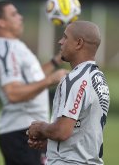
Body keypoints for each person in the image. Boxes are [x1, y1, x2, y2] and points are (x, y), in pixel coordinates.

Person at [0, 1, 67, 165]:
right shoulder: (5, 50)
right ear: (1, 22)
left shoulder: (14, 46)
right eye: (14, 14)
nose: (20, 17)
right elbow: (13, 93)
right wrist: (51, 80)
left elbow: (34, 79)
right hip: (20, 132)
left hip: (31, 130)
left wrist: (56, 60)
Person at [28, 21, 110, 165]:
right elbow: (81, 129)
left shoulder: (75, 79)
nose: (60, 42)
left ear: (79, 43)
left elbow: (62, 131)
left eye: (65, 37)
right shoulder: (98, 78)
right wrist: (50, 141)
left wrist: (40, 128)